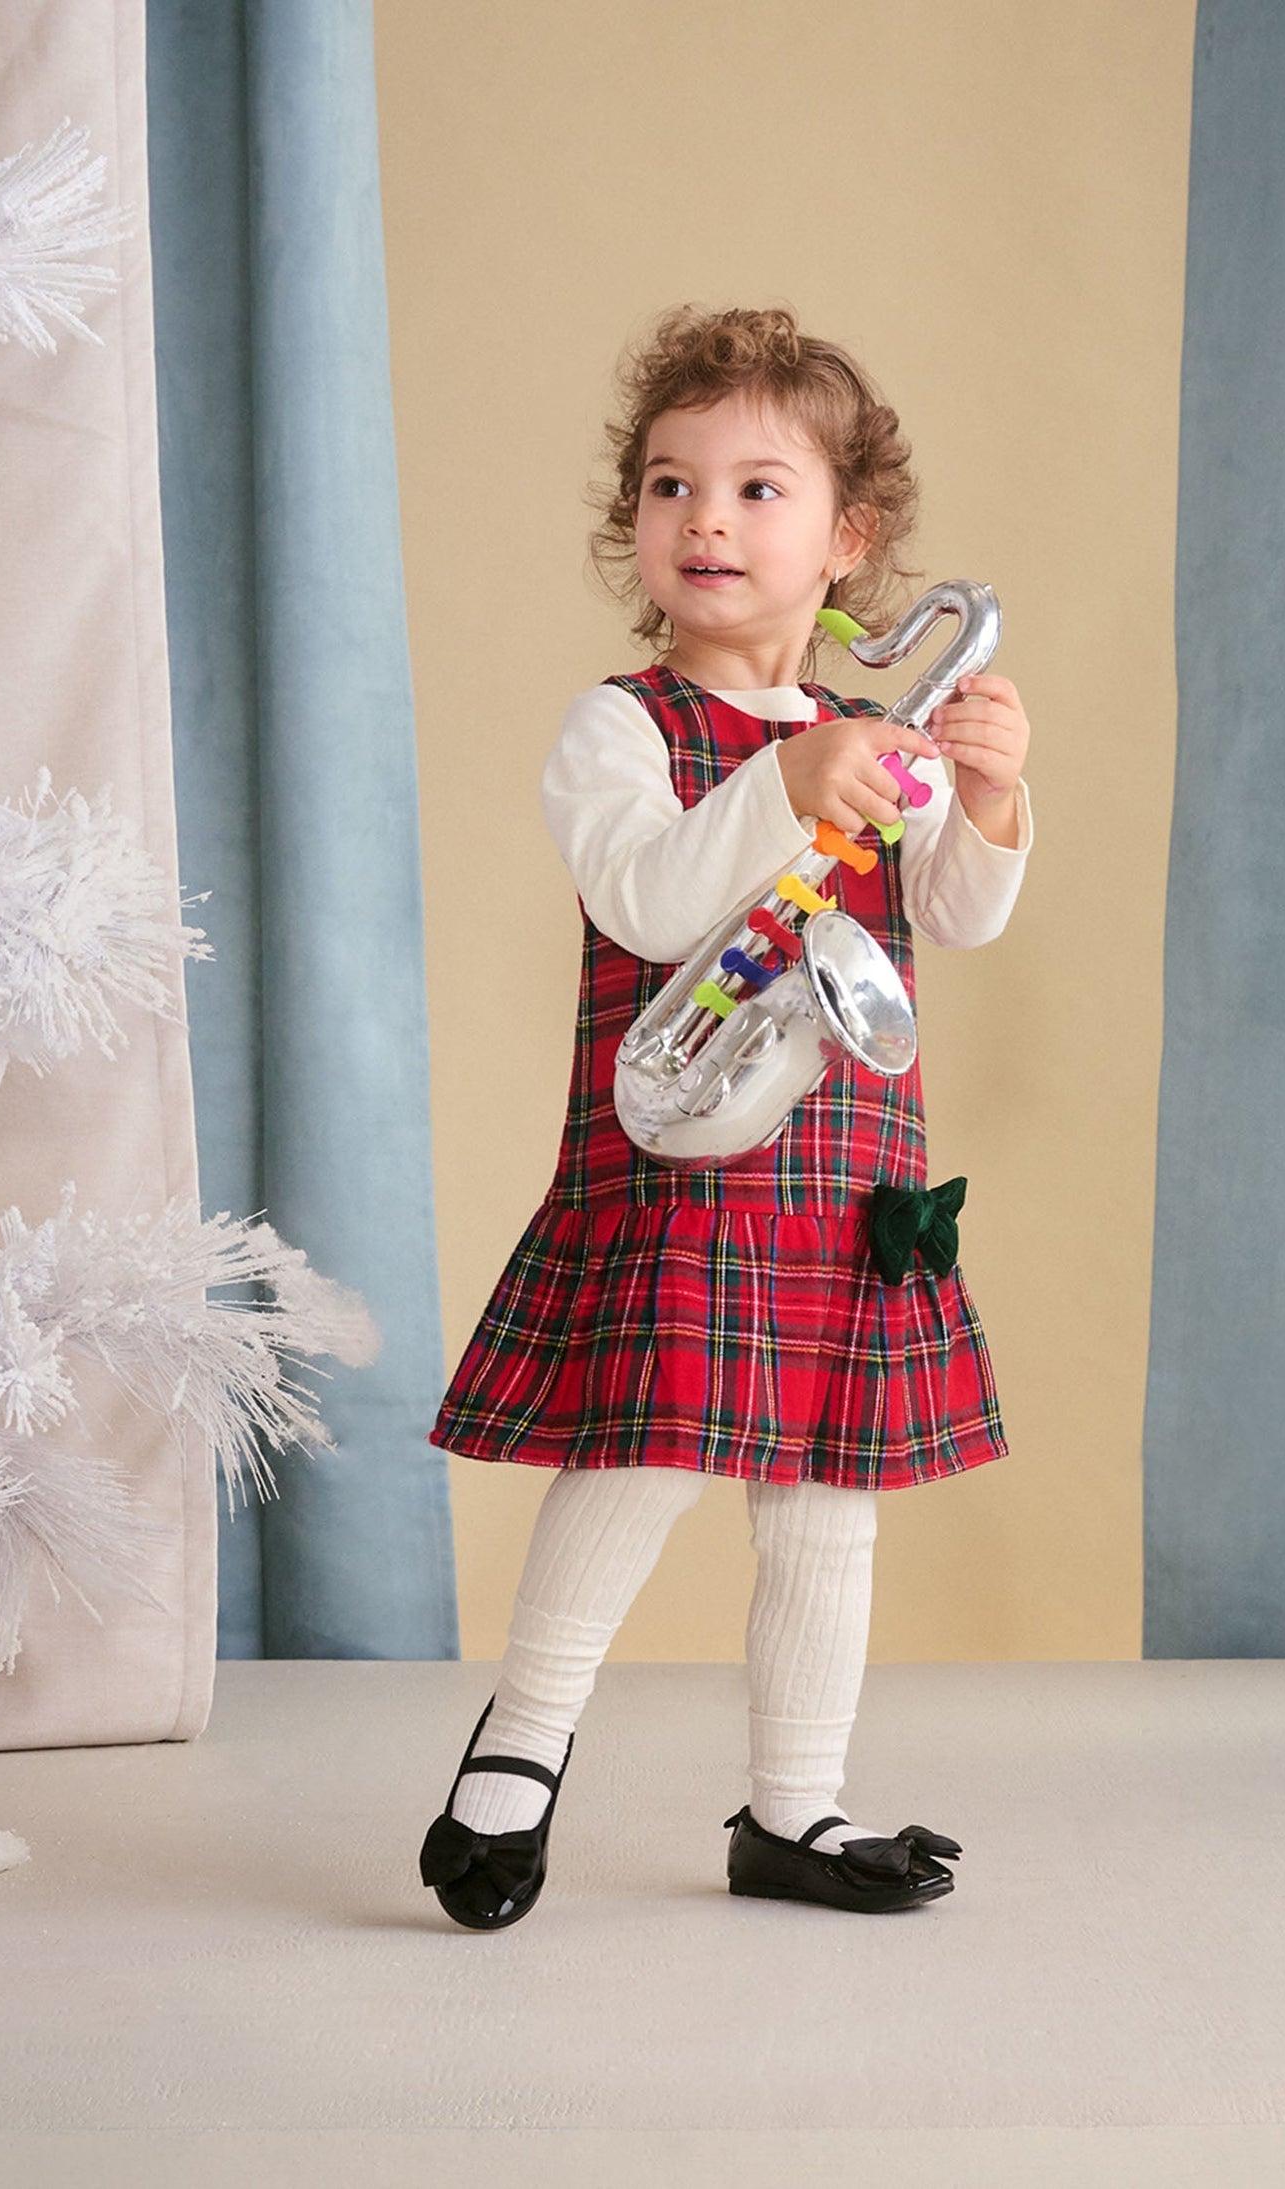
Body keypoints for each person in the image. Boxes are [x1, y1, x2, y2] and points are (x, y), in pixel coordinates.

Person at [419, 304, 1034, 1928]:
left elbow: (955, 919)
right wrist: (789, 776)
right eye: (670, 484)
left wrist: (985, 800)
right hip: (684, 1161)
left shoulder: (873, 746)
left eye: (758, 489)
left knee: (826, 1507)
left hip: (839, 1181)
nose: (706, 518)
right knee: (636, 1461)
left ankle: (794, 1810)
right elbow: (642, 898)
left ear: (850, 539)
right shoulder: (623, 727)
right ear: (634, 522)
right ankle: (521, 1746)